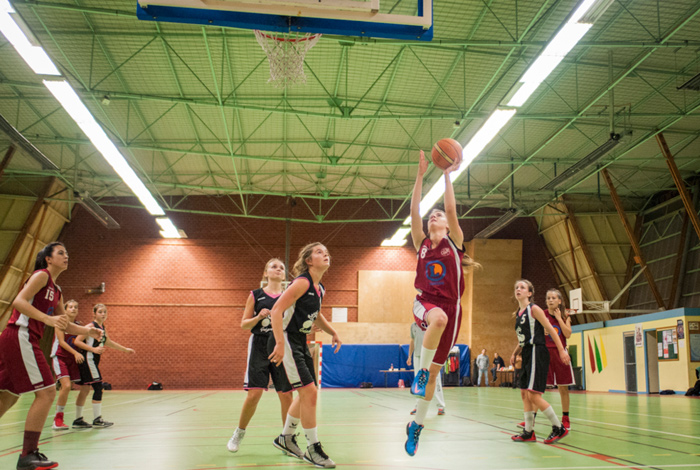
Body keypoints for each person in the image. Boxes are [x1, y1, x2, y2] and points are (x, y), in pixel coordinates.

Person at [0, 242, 103, 470]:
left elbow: (64, 325)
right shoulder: (41, 275)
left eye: (67, 252)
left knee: (8, 396)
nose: (66, 256)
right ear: (48, 258)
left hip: (20, 338)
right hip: (20, 334)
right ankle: (29, 454)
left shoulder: (57, 291)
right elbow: (18, 301)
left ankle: (29, 454)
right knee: (47, 392)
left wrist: (88, 331)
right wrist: (47, 319)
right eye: (61, 253)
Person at [405, 149, 479, 456]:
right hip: (425, 303)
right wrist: (421, 175)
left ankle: (416, 426)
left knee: (436, 376)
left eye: (439, 216)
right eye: (431, 215)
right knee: (437, 320)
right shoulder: (421, 241)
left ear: (448, 226)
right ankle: (420, 375)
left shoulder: (454, 241)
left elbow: (450, 208)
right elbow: (414, 212)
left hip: (453, 308)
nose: (435, 216)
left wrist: (447, 172)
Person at [268, 242, 342, 469]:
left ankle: (286, 438)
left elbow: (316, 314)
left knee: (306, 392)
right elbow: (276, 311)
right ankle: (313, 448)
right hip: (287, 339)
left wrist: (333, 332)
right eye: (319, 252)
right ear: (309, 261)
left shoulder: (320, 288)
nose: (325, 254)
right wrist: (280, 343)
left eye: (327, 251)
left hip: (299, 341)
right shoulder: (302, 282)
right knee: (308, 392)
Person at [227, 258, 294, 452]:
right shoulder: (256, 295)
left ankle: (287, 439)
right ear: (266, 273)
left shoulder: (289, 296)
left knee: (286, 395)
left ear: (284, 274)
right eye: (274, 266)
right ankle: (239, 432)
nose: (278, 269)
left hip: (281, 346)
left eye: (281, 267)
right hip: (259, 346)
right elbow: (244, 324)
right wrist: (259, 317)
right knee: (254, 394)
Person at [510, 280, 570, 444]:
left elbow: (551, 330)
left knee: (533, 395)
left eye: (522, 287)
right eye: (516, 287)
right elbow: (522, 338)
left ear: (529, 293)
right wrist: (515, 353)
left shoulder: (534, 309)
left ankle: (559, 427)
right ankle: (529, 432)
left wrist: (561, 350)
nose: (518, 289)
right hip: (527, 352)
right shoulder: (519, 313)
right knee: (524, 393)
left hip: (537, 350)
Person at [72, 304, 135, 429]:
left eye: (105, 312)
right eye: (100, 312)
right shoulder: (90, 327)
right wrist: (93, 349)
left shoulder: (102, 328)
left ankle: (78, 420)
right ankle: (97, 419)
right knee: (98, 387)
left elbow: (108, 342)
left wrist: (124, 349)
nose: (103, 314)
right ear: (94, 313)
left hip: (93, 361)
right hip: (88, 359)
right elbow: (77, 341)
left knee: (85, 389)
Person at [51, 299, 84, 430]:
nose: (73, 309)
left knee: (73, 387)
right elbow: (62, 342)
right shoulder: (60, 322)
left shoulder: (78, 325)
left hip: (71, 358)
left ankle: (77, 418)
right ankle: (57, 420)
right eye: (70, 307)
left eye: (76, 307)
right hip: (59, 356)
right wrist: (76, 353)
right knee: (66, 386)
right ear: (65, 309)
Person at [544, 289, 574, 430]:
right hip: (545, 352)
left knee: (563, 387)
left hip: (560, 353)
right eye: (548, 298)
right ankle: (530, 419)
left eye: (554, 298)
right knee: (538, 389)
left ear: (559, 301)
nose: (550, 300)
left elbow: (567, 334)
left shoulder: (565, 315)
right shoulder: (542, 315)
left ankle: (565, 418)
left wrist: (560, 319)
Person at [407, 322, 445, 415]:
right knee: (418, 381)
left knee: (435, 379)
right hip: (417, 356)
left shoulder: (432, 324)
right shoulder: (413, 326)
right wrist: (409, 356)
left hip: (431, 355)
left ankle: (441, 406)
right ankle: (417, 406)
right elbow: (412, 340)